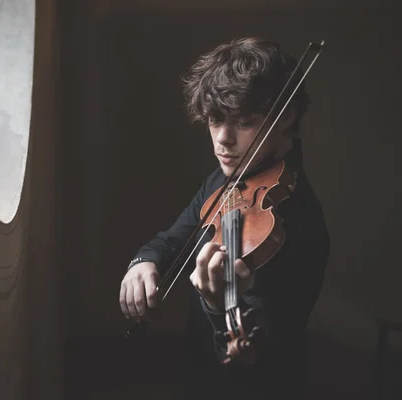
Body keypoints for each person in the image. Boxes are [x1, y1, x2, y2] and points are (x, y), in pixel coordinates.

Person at [118, 37, 330, 399]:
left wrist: (220, 308)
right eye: (214, 121)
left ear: (286, 117)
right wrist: (145, 261)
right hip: (195, 375)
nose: (222, 140)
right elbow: (175, 238)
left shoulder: (302, 224)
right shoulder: (225, 179)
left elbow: (266, 356)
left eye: (243, 123)